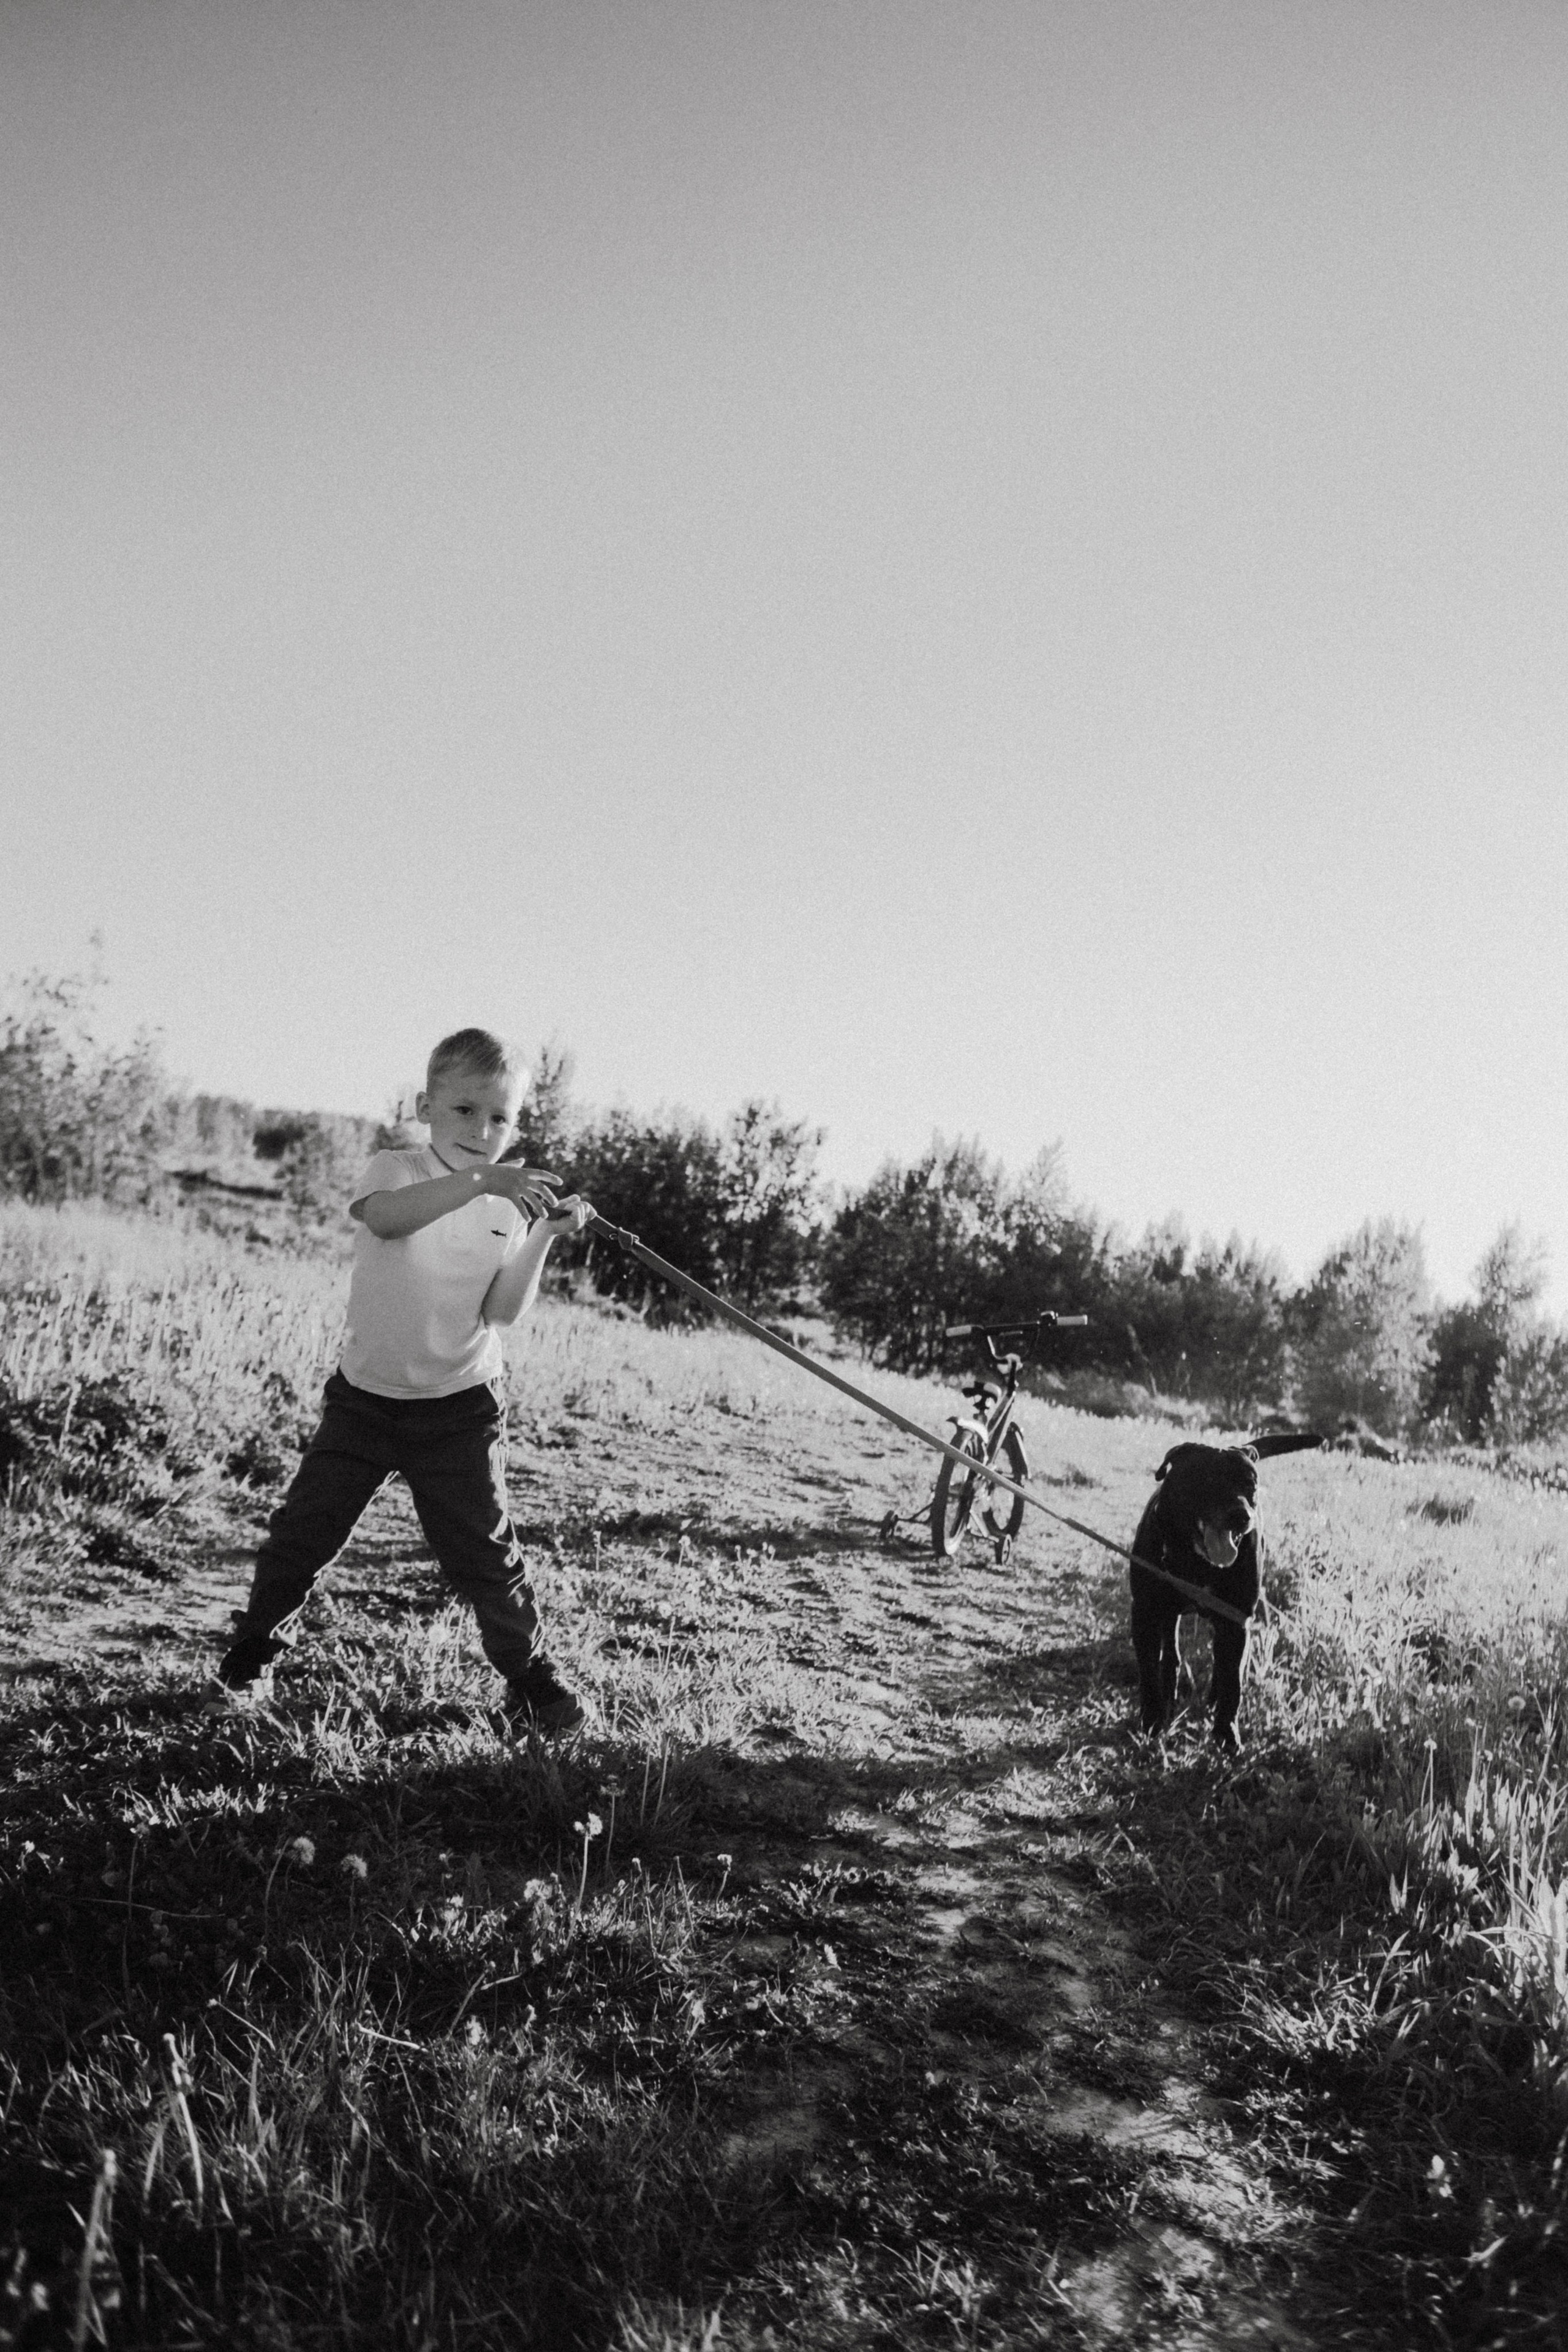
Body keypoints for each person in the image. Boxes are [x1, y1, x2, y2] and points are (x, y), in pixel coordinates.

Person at [205, 1027, 592, 1732]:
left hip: (459, 1406)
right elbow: (385, 1222)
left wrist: (541, 1235)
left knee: (484, 1551)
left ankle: (529, 1679)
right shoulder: (396, 1169)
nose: (482, 1131)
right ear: (424, 1107)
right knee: (303, 1534)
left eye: (500, 1117)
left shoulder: (509, 1203)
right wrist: (483, 1181)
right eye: (465, 1110)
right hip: (364, 1402)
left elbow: (501, 1312)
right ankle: (252, 1656)